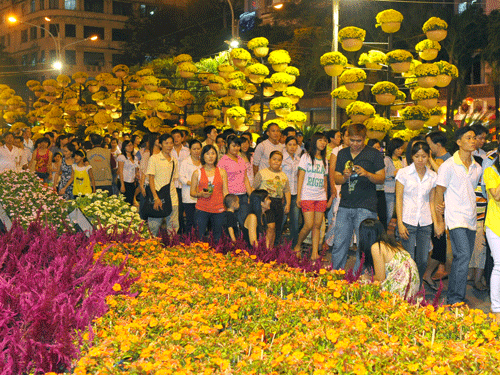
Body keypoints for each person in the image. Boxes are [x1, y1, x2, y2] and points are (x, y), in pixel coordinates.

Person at [435, 127, 482, 305]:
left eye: (474, 138)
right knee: (462, 256)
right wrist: (439, 221)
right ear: (458, 142)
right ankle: (456, 299)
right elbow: (439, 192)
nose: (473, 140)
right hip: (455, 218)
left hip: (471, 218)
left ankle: (452, 295)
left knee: (462, 258)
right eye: (468, 137)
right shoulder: (448, 166)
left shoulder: (477, 167)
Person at [331, 123, 385, 270]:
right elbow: (336, 179)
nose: (355, 144)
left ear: (365, 138)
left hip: (366, 205)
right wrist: (345, 176)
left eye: (358, 141)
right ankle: (335, 276)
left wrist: (367, 174)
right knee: (340, 242)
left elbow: (381, 178)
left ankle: (358, 277)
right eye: (352, 140)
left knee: (364, 245)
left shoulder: (373, 154)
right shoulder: (342, 153)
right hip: (345, 204)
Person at [395, 141, 438, 285]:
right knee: (408, 258)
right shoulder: (404, 173)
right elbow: (398, 198)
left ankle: (417, 285)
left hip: (425, 222)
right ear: (411, 157)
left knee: (423, 259)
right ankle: (407, 287)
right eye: (417, 156)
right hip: (407, 220)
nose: (420, 160)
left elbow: (431, 201)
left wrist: (436, 223)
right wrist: (399, 223)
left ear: (428, 157)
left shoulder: (432, 176)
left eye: (424, 156)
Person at [358, 219, 420, 299]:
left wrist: (366, 277)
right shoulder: (391, 242)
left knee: (363, 284)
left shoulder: (377, 247)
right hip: (412, 282)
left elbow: (380, 278)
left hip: (402, 284)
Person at [293, 133, 329, 261]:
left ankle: (315, 254)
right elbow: (300, 177)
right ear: (314, 141)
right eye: (320, 140)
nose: (323, 143)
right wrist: (298, 197)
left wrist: (326, 196)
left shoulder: (325, 160)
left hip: (321, 197)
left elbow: (325, 180)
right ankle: (297, 245)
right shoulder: (306, 157)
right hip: (307, 195)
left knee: (317, 225)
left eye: (325, 141)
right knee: (308, 225)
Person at [422, 131, 451, 283]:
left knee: (439, 244)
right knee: (435, 244)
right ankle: (426, 274)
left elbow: (442, 175)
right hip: (429, 207)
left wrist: (431, 159)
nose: (428, 147)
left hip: (440, 209)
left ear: (437, 144)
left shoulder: (448, 160)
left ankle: (427, 274)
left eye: (429, 144)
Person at [190, 145, 229, 242]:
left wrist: (228, 207)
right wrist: (201, 194)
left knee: (218, 237)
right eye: (207, 154)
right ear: (203, 156)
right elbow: (192, 192)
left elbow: (225, 191)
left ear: (216, 156)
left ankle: (217, 255)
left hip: (219, 209)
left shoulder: (222, 172)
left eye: (213, 153)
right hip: (202, 209)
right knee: (199, 237)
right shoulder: (197, 172)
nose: (210, 156)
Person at [254, 150, 291, 247]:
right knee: (269, 227)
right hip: (265, 204)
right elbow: (254, 188)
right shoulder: (262, 173)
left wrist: (288, 204)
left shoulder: (284, 176)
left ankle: (274, 248)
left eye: (279, 160)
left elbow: (287, 191)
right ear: (269, 160)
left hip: (279, 203)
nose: (276, 162)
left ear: (281, 162)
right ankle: (264, 247)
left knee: (278, 228)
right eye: (274, 159)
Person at [468, 124, 489, 291]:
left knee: (480, 244)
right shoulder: (464, 156)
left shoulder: (486, 157)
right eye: (478, 137)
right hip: (469, 204)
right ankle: (471, 275)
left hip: (482, 204)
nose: (481, 141)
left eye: (483, 138)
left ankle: (477, 278)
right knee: (470, 243)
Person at [146, 133, 179, 236]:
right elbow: (151, 179)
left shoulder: (174, 160)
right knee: (154, 226)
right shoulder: (154, 158)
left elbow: (174, 178)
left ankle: (171, 248)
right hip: (158, 196)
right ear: (160, 145)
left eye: (171, 143)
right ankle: (151, 248)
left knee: (173, 226)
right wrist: (156, 198)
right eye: (166, 143)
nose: (169, 146)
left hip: (172, 196)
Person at [218, 135, 253, 229]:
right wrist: (226, 198)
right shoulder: (223, 161)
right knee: (232, 223)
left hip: (243, 195)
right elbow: (220, 181)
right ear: (227, 146)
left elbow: (245, 178)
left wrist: (251, 195)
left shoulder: (241, 159)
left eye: (238, 146)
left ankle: (242, 242)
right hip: (231, 196)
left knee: (244, 221)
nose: (236, 148)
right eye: (233, 146)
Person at [483, 144, 500, 323]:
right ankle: (496, 308)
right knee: (499, 265)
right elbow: (496, 195)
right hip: (496, 225)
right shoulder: (491, 171)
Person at [179, 139, 202, 235]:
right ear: (190, 150)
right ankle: (189, 241)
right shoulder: (185, 162)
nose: (196, 151)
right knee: (190, 221)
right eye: (194, 149)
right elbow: (181, 177)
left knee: (200, 221)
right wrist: (192, 184)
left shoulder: (203, 162)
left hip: (201, 196)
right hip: (188, 195)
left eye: (198, 149)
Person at [281, 136, 301, 247]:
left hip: (295, 193)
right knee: (282, 220)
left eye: (294, 145)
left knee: (295, 221)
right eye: (290, 144)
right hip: (284, 193)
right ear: (286, 145)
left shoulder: (299, 159)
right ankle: (276, 244)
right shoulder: (282, 158)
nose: (292, 147)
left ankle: (294, 246)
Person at [171, 128, 190, 233]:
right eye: (174, 137)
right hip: (173, 184)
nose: (176, 139)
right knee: (176, 209)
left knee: (184, 209)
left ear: (182, 138)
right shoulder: (169, 151)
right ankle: (177, 231)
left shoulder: (187, 151)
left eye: (178, 136)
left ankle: (185, 231)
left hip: (185, 185)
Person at [385, 137, 405, 228]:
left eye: (401, 148)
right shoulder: (387, 159)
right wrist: (393, 173)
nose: (400, 150)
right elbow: (382, 174)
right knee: (389, 214)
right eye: (398, 148)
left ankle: (398, 233)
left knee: (400, 213)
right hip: (389, 190)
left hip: (401, 190)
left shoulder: (402, 159)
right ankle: (385, 233)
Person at [117, 140, 139, 205]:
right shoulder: (122, 157)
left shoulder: (135, 158)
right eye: (128, 145)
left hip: (131, 182)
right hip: (124, 181)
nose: (130, 147)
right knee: (126, 202)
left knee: (130, 200)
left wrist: (136, 176)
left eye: (131, 145)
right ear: (124, 147)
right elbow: (120, 171)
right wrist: (122, 185)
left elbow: (135, 169)